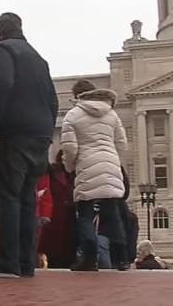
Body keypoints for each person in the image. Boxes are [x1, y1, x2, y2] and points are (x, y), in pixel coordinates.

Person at [0, 13, 58, 279]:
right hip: (39, 136)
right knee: (27, 200)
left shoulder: (3, 50)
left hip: (13, 135)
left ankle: (7, 260)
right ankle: (26, 262)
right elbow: (52, 100)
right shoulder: (38, 59)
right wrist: (46, 132)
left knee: (7, 197)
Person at [60, 79, 129, 272]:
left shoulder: (73, 115)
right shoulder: (112, 114)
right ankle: (123, 259)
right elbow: (122, 143)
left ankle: (89, 256)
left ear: (76, 96)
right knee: (113, 213)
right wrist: (114, 159)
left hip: (86, 164)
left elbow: (70, 147)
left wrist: (69, 167)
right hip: (110, 163)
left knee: (85, 213)